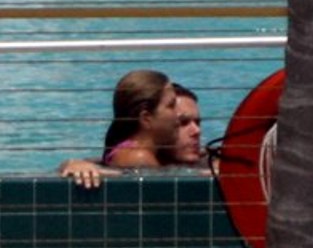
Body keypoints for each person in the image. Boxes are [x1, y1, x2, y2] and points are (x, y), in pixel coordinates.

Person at [60, 79, 206, 188]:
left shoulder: (200, 159)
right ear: (149, 120)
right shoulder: (138, 157)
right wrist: (73, 164)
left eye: (197, 123)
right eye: (183, 122)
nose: (196, 131)